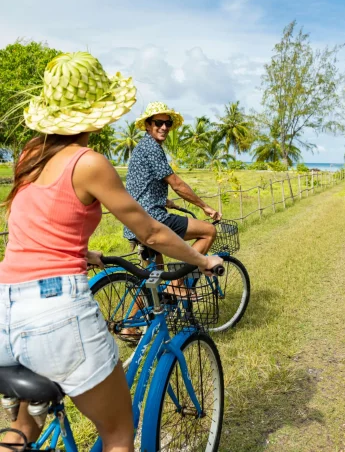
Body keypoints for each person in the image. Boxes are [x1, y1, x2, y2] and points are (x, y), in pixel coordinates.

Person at [0, 52, 223, 452]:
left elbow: (35, 224)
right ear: (96, 113)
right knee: (119, 433)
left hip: (6, 308)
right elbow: (151, 232)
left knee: (23, 432)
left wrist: (84, 253)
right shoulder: (89, 162)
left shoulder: (31, 154)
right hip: (55, 312)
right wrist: (204, 260)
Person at [124, 101, 222, 263]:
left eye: (167, 123)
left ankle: (160, 288)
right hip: (153, 219)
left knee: (157, 277)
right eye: (158, 123)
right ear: (148, 125)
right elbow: (177, 184)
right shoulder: (152, 148)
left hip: (136, 220)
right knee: (209, 231)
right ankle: (179, 285)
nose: (164, 127)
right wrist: (205, 207)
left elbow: (142, 185)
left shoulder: (143, 146)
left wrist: (164, 201)